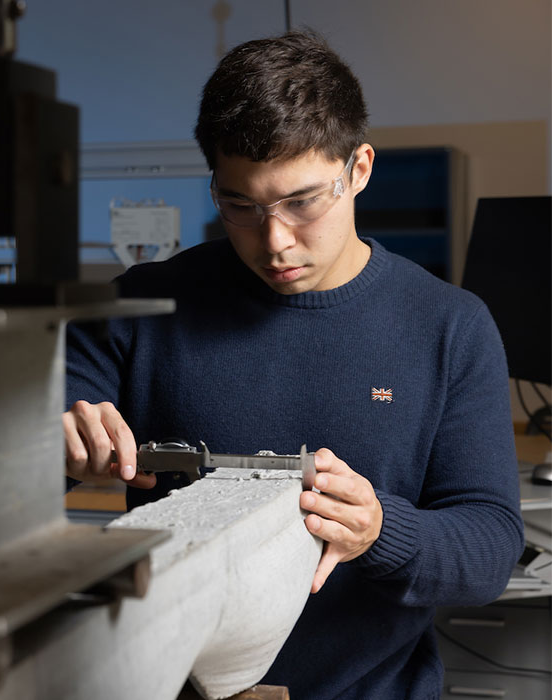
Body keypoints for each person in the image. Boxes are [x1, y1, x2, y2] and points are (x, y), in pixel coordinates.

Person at [62, 31, 524, 700]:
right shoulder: (142, 306)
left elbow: (488, 548)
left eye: (303, 202)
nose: (274, 241)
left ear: (359, 168)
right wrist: (55, 447)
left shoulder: (449, 326)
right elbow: (8, 470)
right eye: (241, 207)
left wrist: (380, 530)